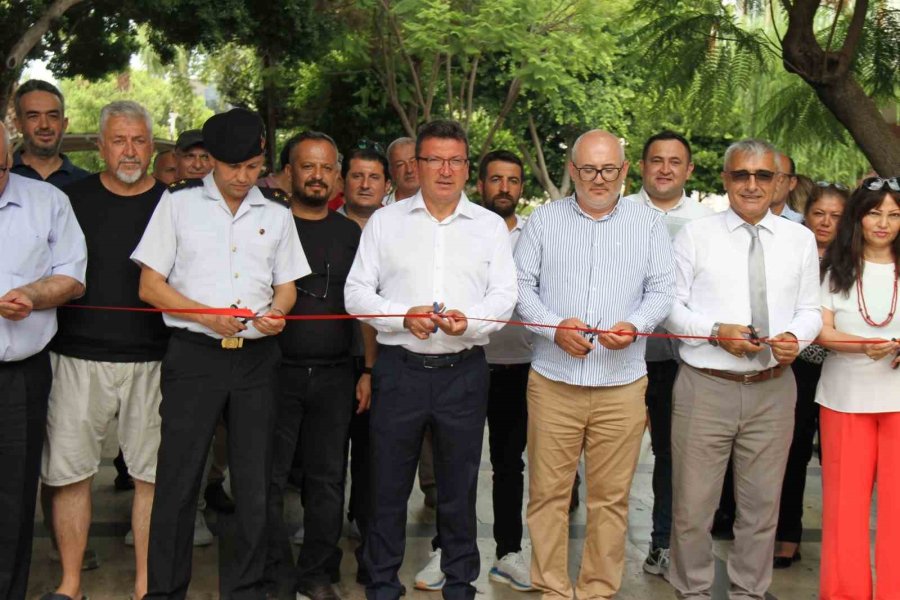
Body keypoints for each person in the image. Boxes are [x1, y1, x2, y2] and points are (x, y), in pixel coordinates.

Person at [132, 107, 309, 599]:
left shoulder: (275, 212)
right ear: (210, 161)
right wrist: (203, 315)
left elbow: (287, 287)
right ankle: (166, 590)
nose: (242, 178)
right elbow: (150, 286)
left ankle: (247, 588)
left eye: (252, 167)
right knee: (178, 480)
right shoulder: (177, 206)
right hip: (194, 355)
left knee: (252, 486)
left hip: (256, 362)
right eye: (233, 167)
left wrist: (277, 313)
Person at [345, 119, 517, 600]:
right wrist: (403, 316)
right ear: (415, 167)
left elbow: (504, 297)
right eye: (434, 160)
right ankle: (381, 584)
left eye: (455, 161)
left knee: (459, 488)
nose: (445, 170)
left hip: (463, 373)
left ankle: (460, 583)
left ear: (468, 169)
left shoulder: (487, 228)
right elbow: (356, 293)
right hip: (399, 370)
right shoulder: (386, 221)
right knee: (387, 486)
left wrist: (473, 322)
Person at [515, 129, 675, 600]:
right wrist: (552, 328)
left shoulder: (647, 224)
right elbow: (522, 288)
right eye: (588, 169)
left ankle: (598, 590)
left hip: (621, 383)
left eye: (608, 169)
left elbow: (662, 290)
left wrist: (635, 324)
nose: (598, 179)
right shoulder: (544, 221)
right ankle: (551, 587)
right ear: (573, 170)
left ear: (625, 171)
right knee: (548, 495)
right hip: (552, 381)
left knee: (611, 499)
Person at [665, 139, 822, 600]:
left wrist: (798, 337)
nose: (751, 185)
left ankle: (749, 592)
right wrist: (715, 331)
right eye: (741, 175)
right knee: (693, 507)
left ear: (780, 183)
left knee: (761, 507)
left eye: (763, 176)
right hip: (705, 387)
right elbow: (670, 308)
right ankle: (691, 591)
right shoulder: (695, 235)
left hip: (774, 388)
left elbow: (810, 308)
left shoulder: (800, 239)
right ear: (725, 179)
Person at [40, 101, 168, 600]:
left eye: (138, 140)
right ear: (100, 146)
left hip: (154, 359)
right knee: (71, 474)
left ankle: (144, 586)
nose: (129, 150)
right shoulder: (68, 199)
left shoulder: (173, 204)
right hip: (75, 357)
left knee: (150, 478)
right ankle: (70, 584)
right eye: (119, 140)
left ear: (152, 146)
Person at [264, 131, 362, 600]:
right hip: (271, 373)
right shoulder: (266, 226)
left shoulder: (350, 234)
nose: (317, 176)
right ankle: (275, 573)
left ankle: (318, 573)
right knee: (268, 477)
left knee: (327, 480)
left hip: (336, 375)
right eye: (308, 166)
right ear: (288, 173)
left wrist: (365, 371)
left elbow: (364, 309)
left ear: (337, 176)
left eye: (326, 167)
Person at [0, 121, 87, 600]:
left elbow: (72, 277)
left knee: (15, 494)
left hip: (20, 374)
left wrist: (34, 293)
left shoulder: (47, 202)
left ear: (9, 159)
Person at [623, 131, 713, 578]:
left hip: (679, 361)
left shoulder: (704, 223)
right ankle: (599, 547)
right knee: (609, 455)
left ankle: (662, 543)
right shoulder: (617, 214)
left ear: (688, 169)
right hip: (619, 356)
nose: (664, 168)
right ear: (641, 166)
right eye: (656, 160)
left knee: (672, 456)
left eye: (675, 161)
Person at [815, 177, 900, 599]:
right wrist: (861, 344)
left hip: (899, 402)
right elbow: (821, 332)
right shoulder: (835, 268)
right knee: (844, 510)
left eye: (894, 214)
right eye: (874, 212)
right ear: (859, 217)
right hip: (844, 398)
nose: (883, 223)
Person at [774, 182, 847, 569]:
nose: (826, 222)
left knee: (839, 460)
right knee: (794, 453)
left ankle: (842, 542)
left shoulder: (855, 258)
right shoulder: (793, 252)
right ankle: (788, 535)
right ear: (807, 215)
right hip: (798, 366)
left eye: (836, 215)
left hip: (842, 366)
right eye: (820, 213)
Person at [478, 150, 534, 591]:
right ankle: (446, 548)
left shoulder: (535, 236)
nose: (504, 188)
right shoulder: (467, 232)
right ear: (481, 184)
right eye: (496, 179)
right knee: (453, 462)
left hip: (518, 367)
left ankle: (508, 552)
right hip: (468, 361)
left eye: (512, 181)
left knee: (509, 465)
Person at [337, 143, 390, 555]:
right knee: (328, 453)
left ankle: (368, 529)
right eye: (357, 175)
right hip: (330, 359)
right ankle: (324, 527)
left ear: (387, 185)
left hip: (382, 361)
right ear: (343, 181)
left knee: (375, 454)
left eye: (374, 177)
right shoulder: (320, 225)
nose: (365, 184)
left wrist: (371, 370)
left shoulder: (398, 230)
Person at [11, 79, 89, 187]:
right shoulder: (4, 177)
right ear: (18, 124)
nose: (44, 125)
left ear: (64, 124)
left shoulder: (86, 183)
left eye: (53, 116)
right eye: (33, 116)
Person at [382, 136, 418, 205]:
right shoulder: (381, 208)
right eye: (400, 165)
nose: (409, 170)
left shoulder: (441, 203)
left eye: (413, 161)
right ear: (391, 171)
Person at [771, 153, 803, 222]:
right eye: (764, 175)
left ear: (792, 183)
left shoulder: (801, 223)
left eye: (779, 177)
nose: (772, 182)